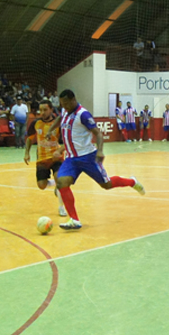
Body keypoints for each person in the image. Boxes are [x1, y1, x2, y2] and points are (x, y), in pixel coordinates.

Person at [43, 89, 144, 230]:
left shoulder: (83, 115)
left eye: (66, 103)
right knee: (62, 182)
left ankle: (132, 182)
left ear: (73, 100)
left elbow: (98, 133)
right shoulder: (65, 111)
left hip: (88, 157)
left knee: (106, 185)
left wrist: (100, 151)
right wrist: (51, 130)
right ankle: (74, 219)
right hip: (71, 159)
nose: (64, 106)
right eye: (62, 104)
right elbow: (60, 118)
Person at [24, 100, 67, 217]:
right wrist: (27, 153)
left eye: (45, 110)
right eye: (40, 110)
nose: (42, 112)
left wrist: (60, 151)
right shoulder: (36, 123)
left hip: (56, 158)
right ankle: (54, 184)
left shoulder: (58, 123)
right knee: (41, 185)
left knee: (61, 180)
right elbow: (29, 138)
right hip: (42, 159)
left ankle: (61, 207)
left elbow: (66, 141)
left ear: (51, 110)